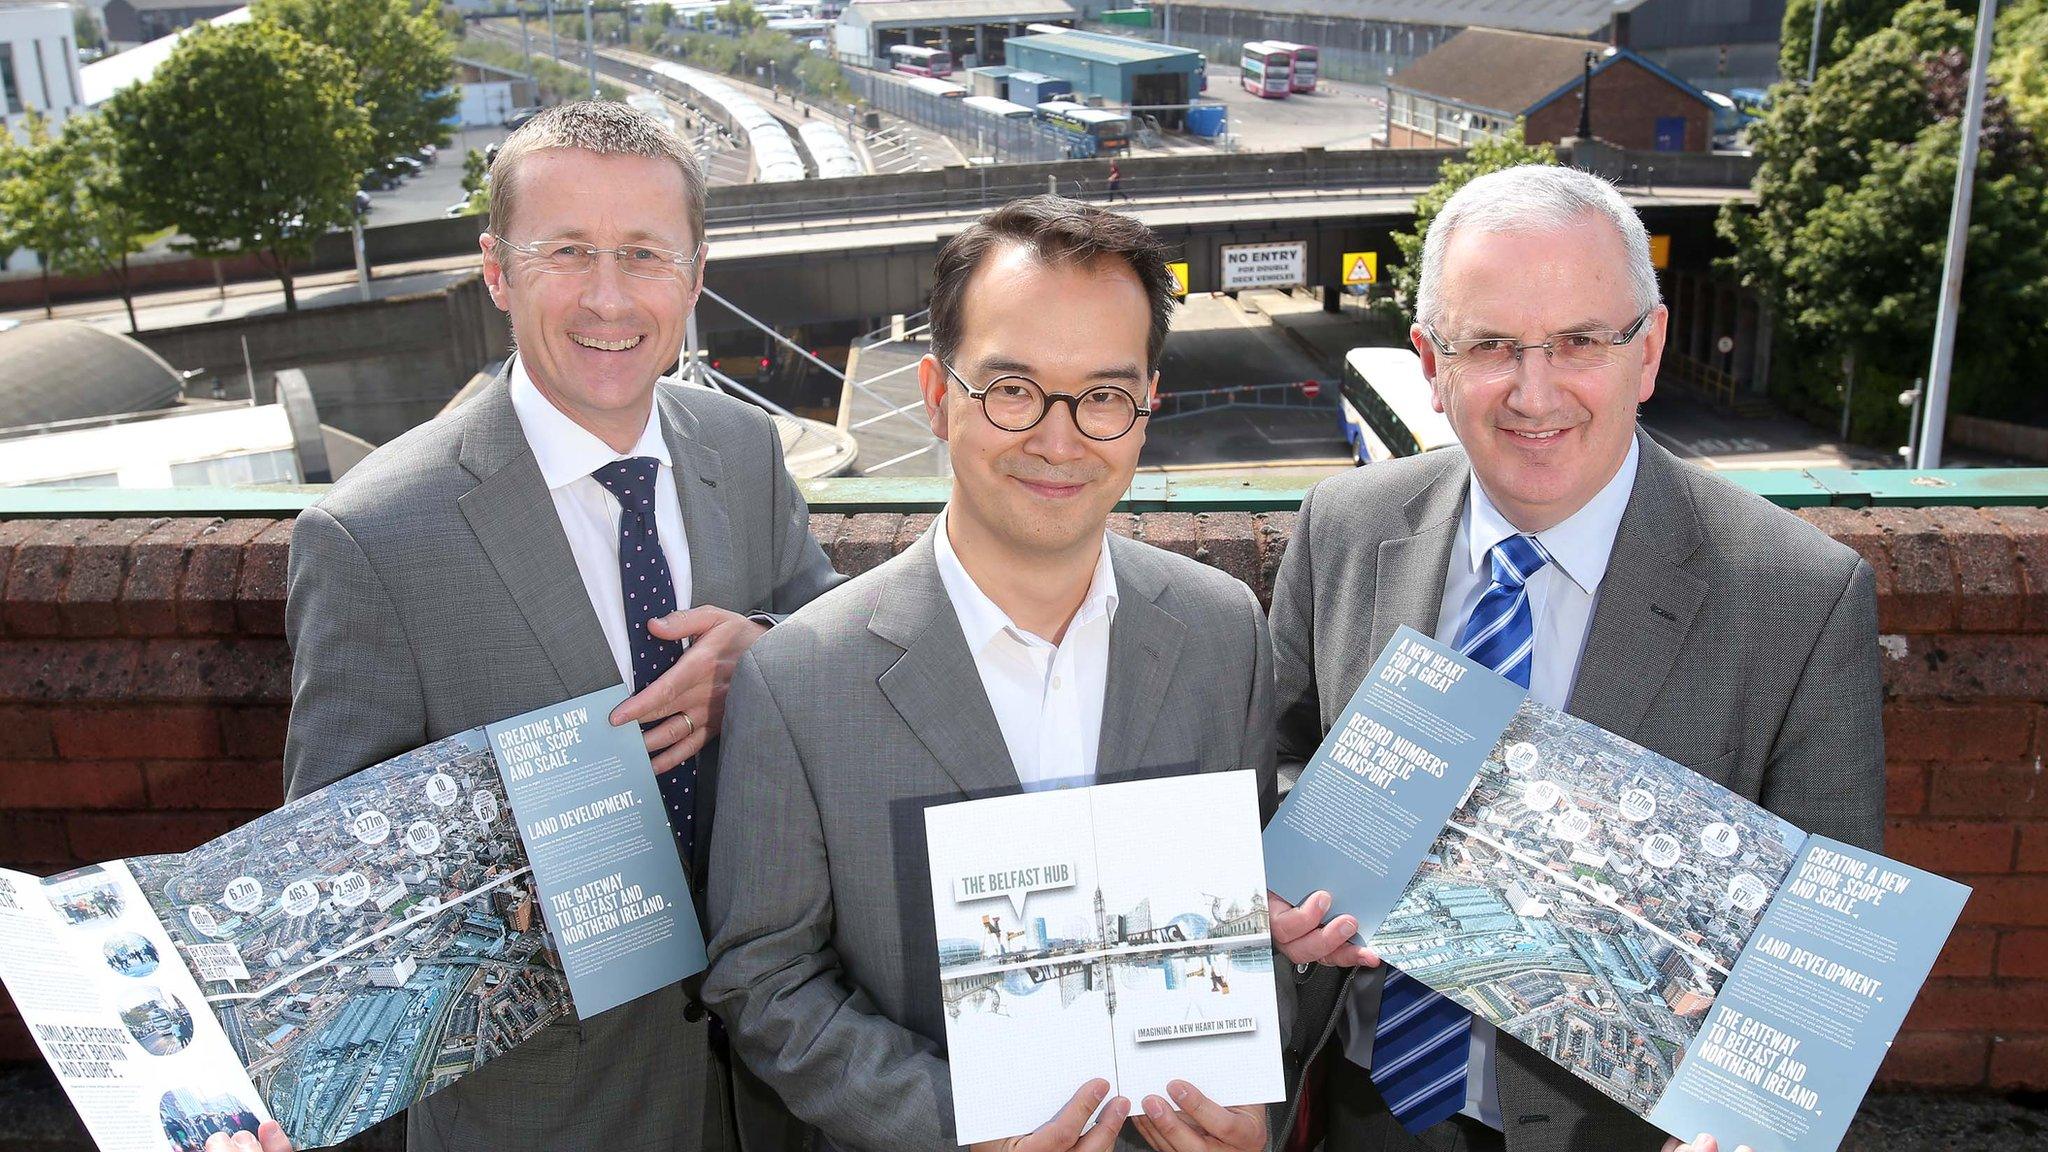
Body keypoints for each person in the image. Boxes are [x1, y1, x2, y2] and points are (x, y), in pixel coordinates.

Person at [1264, 165, 1882, 1152]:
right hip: (1366, 1111)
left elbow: (1827, 949)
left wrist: (1762, 1122)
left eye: (1580, 341)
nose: (1533, 390)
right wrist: (1283, 882)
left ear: (1648, 350)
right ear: (1430, 360)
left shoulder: (1801, 596)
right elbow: (1280, 763)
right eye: (1490, 346)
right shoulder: (1344, 525)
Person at [283, 101, 841, 1152]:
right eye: (566, 252)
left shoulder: (746, 449)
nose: (607, 297)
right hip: (547, 1111)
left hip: (774, 1085)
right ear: (497, 270)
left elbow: (827, 652)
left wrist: (765, 657)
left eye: (643, 254)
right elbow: (345, 913)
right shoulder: (370, 537)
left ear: (695, 271)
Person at [702, 196, 1281, 1152]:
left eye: (1103, 395)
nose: (1060, 440)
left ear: (1146, 409)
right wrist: (957, 1127)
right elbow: (764, 980)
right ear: (936, 393)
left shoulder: (1224, 634)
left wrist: (1253, 1093)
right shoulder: (801, 677)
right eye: (1012, 389)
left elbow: (1258, 927)